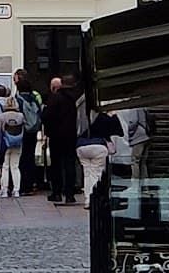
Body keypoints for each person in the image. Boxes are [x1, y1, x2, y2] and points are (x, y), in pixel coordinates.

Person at [41, 77, 79, 205]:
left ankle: (57, 192)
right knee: (70, 164)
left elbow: (46, 116)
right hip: (70, 135)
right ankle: (70, 194)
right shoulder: (72, 99)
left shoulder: (55, 98)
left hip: (56, 135)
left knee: (56, 165)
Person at [77, 108, 123, 208]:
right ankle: (94, 200)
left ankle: (87, 199)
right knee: (97, 173)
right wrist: (114, 115)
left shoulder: (86, 117)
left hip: (81, 146)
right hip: (98, 146)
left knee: (87, 174)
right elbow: (119, 132)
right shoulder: (105, 118)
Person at [14, 72, 43, 195]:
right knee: (30, 156)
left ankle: (22, 185)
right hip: (33, 130)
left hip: (23, 130)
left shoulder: (18, 100)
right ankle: (30, 185)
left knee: (22, 157)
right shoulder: (34, 99)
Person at [0, 95, 26, 197]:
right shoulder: (21, 116)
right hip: (18, 143)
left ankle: (4, 190)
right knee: (15, 166)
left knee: (5, 167)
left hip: (5, 143)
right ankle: (16, 190)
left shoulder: (1, 116)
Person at [127, 108, 153, 180]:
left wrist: (128, 130)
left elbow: (133, 121)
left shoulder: (134, 107)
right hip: (147, 135)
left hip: (138, 137)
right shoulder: (144, 108)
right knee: (143, 162)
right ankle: (145, 184)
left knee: (135, 161)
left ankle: (135, 183)